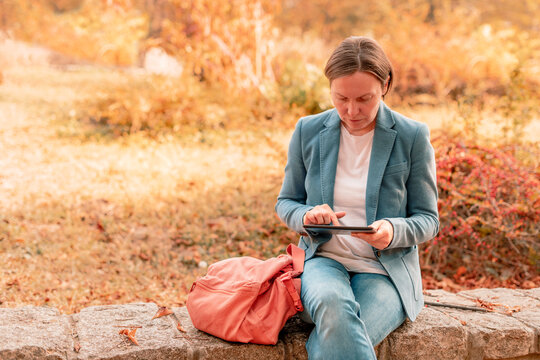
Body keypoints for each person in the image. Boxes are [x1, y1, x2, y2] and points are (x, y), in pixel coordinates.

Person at [275, 36, 439, 359]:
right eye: (341, 98)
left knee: (338, 334)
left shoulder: (412, 136)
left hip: (385, 273)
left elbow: (428, 220)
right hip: (323, 261)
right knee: (335, 308)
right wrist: (306, 217)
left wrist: (393, 231)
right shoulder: (308, 131)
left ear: (385, 84)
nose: (351, 110)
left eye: (364, 99)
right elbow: (286, 202)